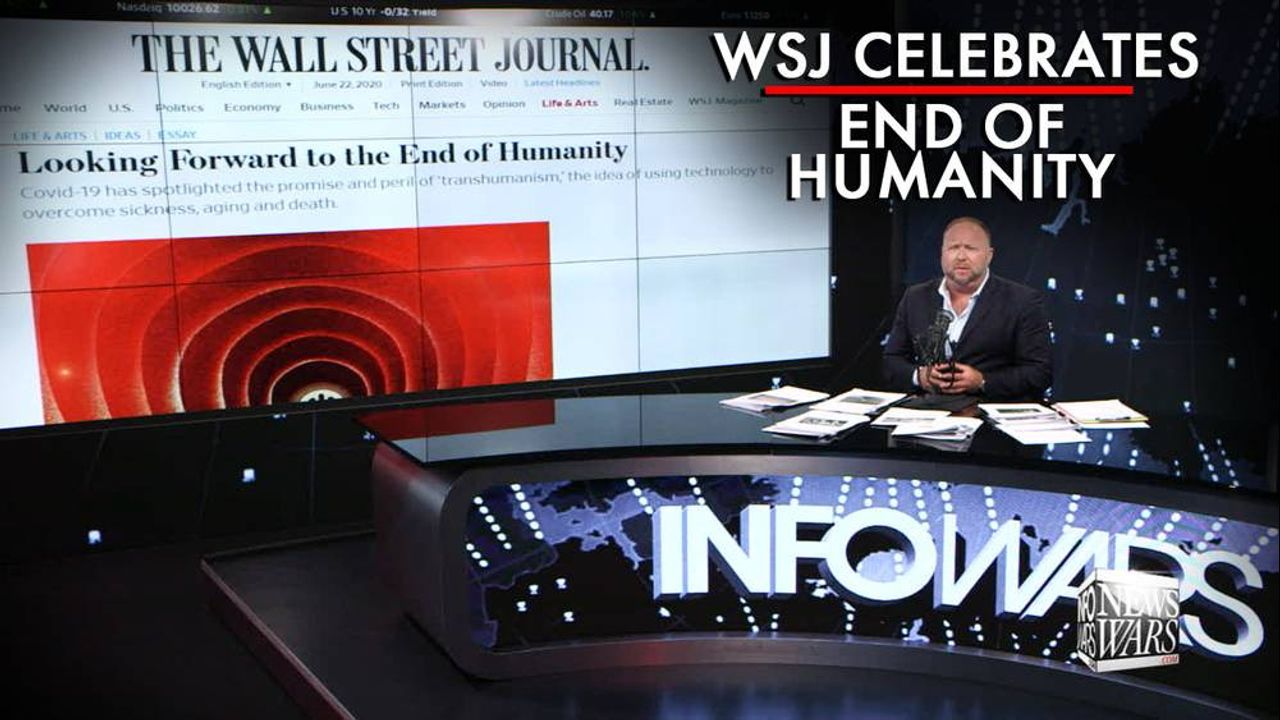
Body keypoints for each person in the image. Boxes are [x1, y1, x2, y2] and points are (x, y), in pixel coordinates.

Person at [882, 216, 1052, 401]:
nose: (961, 257)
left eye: (971, 248)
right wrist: (920, 377)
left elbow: (1040, 373)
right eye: (953, 247)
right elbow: (891, 362)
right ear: (942, 253)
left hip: (989, 409)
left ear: (989, 255)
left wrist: (982, 381)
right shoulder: (915, 297)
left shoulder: (1023, 301)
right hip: (927, 409)